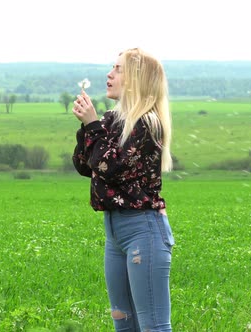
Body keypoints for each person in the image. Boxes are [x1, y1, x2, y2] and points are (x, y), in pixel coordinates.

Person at [72, 48, 175, 332]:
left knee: (153, 326)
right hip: (115, 233)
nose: (109, 74)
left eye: (118, 69)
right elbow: (84, 165)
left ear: (137, 79)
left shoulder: (147, 124)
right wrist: (87, 126)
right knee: (124, 326)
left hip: (144, 230)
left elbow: (110, 167)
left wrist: (93, 126)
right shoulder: (112, 121)